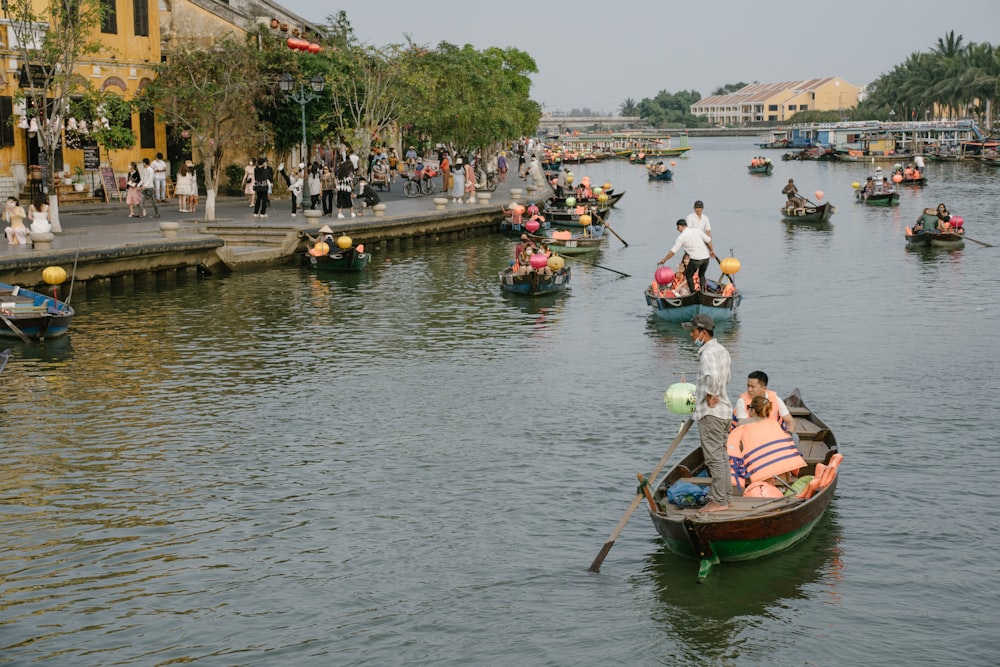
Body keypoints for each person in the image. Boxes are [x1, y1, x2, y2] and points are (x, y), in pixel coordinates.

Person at [681, 314, 732, 512]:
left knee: (713, 458)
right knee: (721, 456)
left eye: (693, 331)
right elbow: (725, 376)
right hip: (724, 412)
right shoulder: (723, 350)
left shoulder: (708, 352)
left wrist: (711, 394)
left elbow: (712, 377)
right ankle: (726, 497)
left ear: (703, 332)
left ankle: (719, 500)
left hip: (711, 413)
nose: (691, 335)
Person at [727, 395, 806, 491]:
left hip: (760, 477)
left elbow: (732, 451)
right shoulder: (774, 424)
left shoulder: (742, 425)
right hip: (783, 477)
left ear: (753, 411)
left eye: (749, 408)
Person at [658, 219, 715, 295]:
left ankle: (693, 294)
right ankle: (703, 292)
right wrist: (711, 250)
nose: (678, 230)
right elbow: (708, 240)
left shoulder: (681, 237)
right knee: (701, 275)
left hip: (696, 259)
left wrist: (664, 259)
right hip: (705, 258)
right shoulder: (697, 230)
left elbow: (673, 251)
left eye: (677, 228)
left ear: (680, 226)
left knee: (688, 275)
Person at [731, 370, 797, 435]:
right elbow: (742, 426)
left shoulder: (776, 399)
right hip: (752, 435)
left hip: (773, 434)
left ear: (764, 388)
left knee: (795, 437)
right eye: (748, 386)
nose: (749, 389)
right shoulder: (742, 401)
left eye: (753, 387)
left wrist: (788, 434)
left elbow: (790, 422)